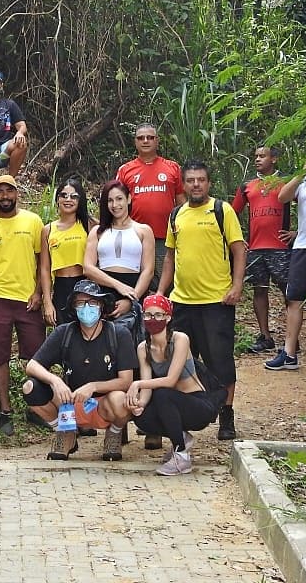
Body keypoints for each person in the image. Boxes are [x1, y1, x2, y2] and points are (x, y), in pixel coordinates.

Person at [153, 160, 246, 440]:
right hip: (182, 302)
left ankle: (226, 416)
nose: (196, 184)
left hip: (216, 301)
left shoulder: (222, 211)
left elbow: (239, 250)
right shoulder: (176, 215)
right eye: (191, 180)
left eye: (201, 180)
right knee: (179, 361)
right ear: (183, 183)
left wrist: (237, 285)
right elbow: (170, 256)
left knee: (220, 360)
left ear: (208, 183)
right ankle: (182, 414)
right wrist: (161, 292)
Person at [23, 281, 136, 461]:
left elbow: (126, 381)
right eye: (80, 303)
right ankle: (65, 431)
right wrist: (56, 381)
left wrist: (93, 386)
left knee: (120, 399)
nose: (86, 308)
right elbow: (32, 365)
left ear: (101, 306)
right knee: (31, 387)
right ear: (74, 307)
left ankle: (114, 433)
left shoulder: (118, 334)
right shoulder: (64, 332)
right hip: (70, 400)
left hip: (104, 403)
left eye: (92, 303)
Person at [0, 175, 44, 435]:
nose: (5, 196)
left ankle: (36, 407)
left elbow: (42, 262)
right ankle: (5, 411)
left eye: (9, 191)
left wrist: (39, 292)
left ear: (17, 193)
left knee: (35, 356)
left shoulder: (33, 222)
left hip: (28, 300)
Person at [125, 295, 227, 475]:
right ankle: (182, 437)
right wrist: (139, 404)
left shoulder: (180, 339)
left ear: (168, 317)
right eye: (148, 315)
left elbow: (171, 380)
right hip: (172, 405)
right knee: (141, 416)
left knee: (163, 393)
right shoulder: (144, 347)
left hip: (197, 403)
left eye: (158, 315)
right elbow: (148, 388)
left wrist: (137, 383)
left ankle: (180, 455)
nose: (152, 319)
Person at [265, 138, 306, 375]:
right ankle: (289, 353)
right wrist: (302, 173)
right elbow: (282, 197)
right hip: (303, 246)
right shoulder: (305, 179)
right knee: (294, 298)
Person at [231, 146, 293, 354]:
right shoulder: (248, 185)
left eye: (262, 156)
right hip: (256, 248)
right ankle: (265, 335)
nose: (257, 159)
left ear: (274, 159)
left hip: (280, 247)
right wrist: (238, 240)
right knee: (260, 289)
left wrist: (296, 233)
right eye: (256, 156)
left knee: (288, 292)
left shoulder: (286, 182)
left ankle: (292, 338)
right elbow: (231, 214)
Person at [115, 123, 185, 289]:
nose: (145, 141)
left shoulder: (172, 168)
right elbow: (116, 201)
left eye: (150, 137)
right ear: (135, 142)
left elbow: (182, 201)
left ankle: (167, 313)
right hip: (135, 237)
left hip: (165, 236)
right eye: (141, 138)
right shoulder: (126, 170)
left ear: (157, 141)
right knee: (137, 280)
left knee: (166, 282)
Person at [83, 179, 155, 327]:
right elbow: (88, 268)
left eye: (119, 199)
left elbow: (148, 271)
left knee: (130, 342)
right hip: (102, 293)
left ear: (128, 199)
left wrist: (131, 300)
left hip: (133, 291)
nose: (115, 205)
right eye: (110, 200)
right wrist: (117, 285)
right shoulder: (98, 231)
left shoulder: (143, 230)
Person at [40, 177, 90, 326]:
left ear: (80, 200)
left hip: (85, 284)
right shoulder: (48, 230)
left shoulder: (89, 225)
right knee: (64, 335)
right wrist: (47, 302)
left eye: (74, 196)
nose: (68, 199)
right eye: (64, 195)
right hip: (61, 287)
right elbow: (44, 268)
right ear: (57, 199)